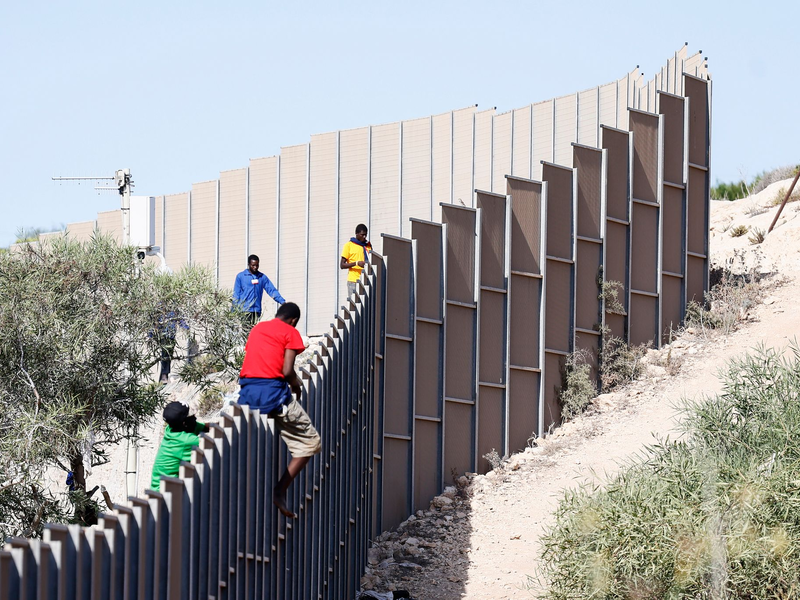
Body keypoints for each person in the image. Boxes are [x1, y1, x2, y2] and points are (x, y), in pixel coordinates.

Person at [237, 302, 320, 518]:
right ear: (293, 321)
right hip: (272, 395)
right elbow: (287, 370)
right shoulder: (290, 332)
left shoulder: (257, 329)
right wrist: (296, 385)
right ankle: (279, 491)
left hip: (247, 394)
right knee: (311, 443)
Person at [150, 402, 209, 491]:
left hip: (158, 489)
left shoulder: (171, 429)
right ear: (184, 423)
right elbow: (215, 446)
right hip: (165, 494)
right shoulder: (187, 441)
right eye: (192, 417)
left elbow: (205, 427)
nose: (195, 418)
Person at [232, 255, 285, 329]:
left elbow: (271, 290)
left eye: (257, 265)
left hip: (256, 310)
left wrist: (282, 302)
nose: (255, 267)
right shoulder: (241, 276)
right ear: (248, 264)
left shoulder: (262, 277)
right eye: (253, 265)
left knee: (253, 330)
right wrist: (232, 311)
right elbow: (236, 294)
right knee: (246, 330)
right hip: (245, 310)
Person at [340, 224, 372, 297]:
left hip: (366, 280)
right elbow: (342, 265)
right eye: (362, 235)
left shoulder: (367, 245)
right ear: (357, 234)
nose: (364, 237)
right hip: (354, 280)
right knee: (354, 306)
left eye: (365, 235)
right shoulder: (349, 245)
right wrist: (357, 263)